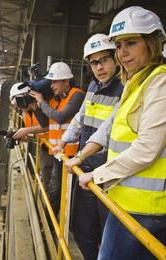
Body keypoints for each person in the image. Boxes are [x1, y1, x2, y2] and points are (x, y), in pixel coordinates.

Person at [78, 6, 166, 260]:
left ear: (152, 43)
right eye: (119, 45)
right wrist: (82, 156)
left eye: (131, 43)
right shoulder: (138, 81)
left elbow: (146, 149)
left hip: (148, 204)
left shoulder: (162, 82)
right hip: (135, 198)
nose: (122, 53)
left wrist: (97, 175)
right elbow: (111, 124)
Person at [52, 34, 123, 260]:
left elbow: (109, 131)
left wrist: (80, 156)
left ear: (115, 58)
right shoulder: (93, 86)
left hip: (109, 176)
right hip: (86, 173)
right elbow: (81, 118)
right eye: (94, 62)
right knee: (81, 229)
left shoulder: (124, 88)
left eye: (104, 60)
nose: (100, 67)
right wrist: (65, 140)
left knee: (108, 235)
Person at [30, 61, 85, 215]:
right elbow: (45, 122)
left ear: (66, 81)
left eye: (55, 81)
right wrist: (35, 105)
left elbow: (60, 117)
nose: (52, 85)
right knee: (55, 189)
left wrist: (41, 102)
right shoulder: (56, 99)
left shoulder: (77, 95)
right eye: (51, 82)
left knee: (58, 191)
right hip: (58, 153)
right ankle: (53, 221)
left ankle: (49, 222)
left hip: (71, 154)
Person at [9, 82, 54, 188]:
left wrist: (26, 130)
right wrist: (22, 137)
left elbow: (48, 125)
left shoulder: (42, 105)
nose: (19, 108)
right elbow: (35, 133)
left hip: (53, 145)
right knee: (45, 174)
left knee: (50, 176)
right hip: (44, 145)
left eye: (19, 104)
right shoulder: (26, 113)